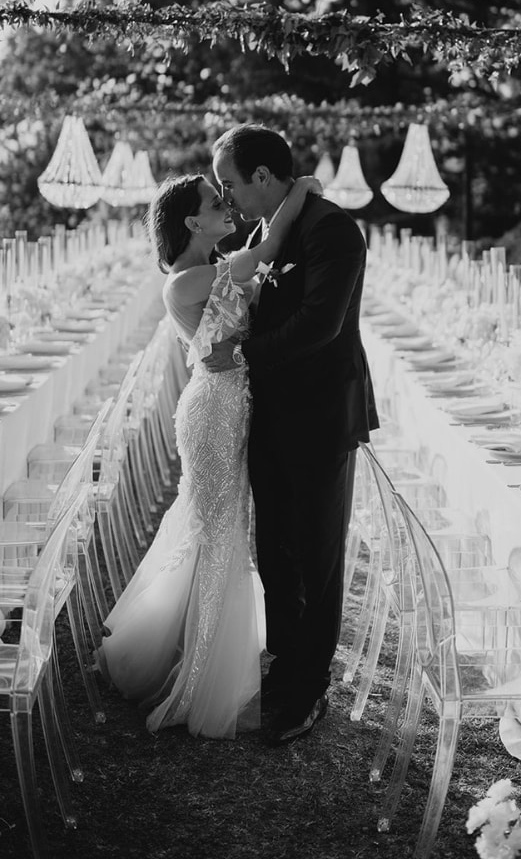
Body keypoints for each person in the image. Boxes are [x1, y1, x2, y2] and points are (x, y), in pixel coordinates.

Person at [99, 170, 319, 739]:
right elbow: (265, 248)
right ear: (193, 222)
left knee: (218, 528)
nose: (227, 205)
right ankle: (198, 675)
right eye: (214, 201)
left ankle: (185, 650)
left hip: (233, 401)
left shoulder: (211, 266)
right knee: (218, 530)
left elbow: (249, 261)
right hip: (214, 411)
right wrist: (298, 192)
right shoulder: (182, 282)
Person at [208, 125, 379, 746]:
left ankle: (308, 689)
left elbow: (319, 325)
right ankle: (285, 662)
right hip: (271, 412)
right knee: (275, 543)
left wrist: (242, 354)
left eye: (230, 183)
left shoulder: (331, 229)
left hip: (319, 413)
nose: (226, 197)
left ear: (261, 177)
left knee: (316, 553)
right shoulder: (262, 231)